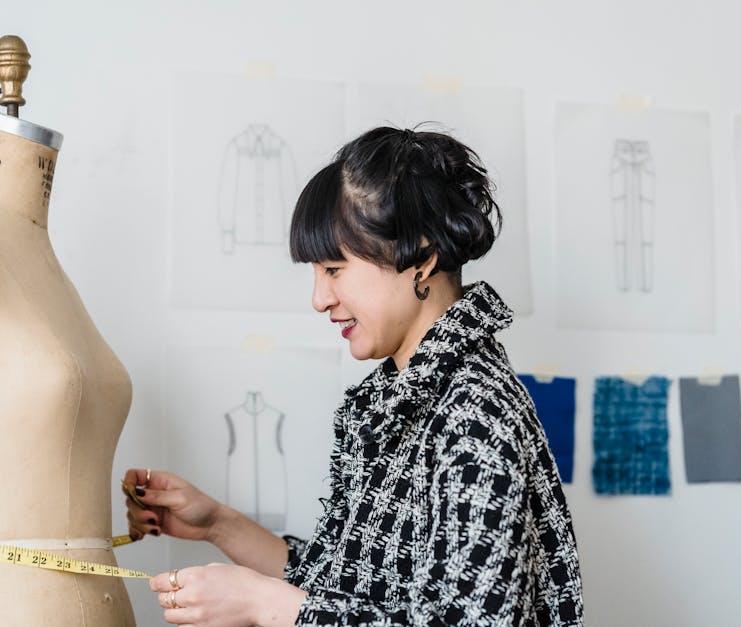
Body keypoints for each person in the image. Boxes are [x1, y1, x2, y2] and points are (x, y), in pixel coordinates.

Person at [125, 126, 584, 626]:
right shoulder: (405, 397)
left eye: (334, 269)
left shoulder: (475, 414)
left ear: (421, 257)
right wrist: (217, 523)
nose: (318, 299)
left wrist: (265, 605)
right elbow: (344, 585)